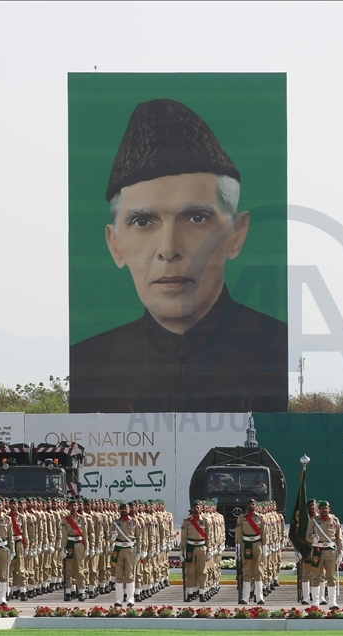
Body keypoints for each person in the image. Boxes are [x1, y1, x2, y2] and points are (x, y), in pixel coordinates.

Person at [70, 98, 287, 414]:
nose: (168, 249)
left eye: (196, 218)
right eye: (142, 221)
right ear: (115, 245)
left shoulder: (279, 351)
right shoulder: (86, 367)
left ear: (236, 235)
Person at [236, 500, 267, 605]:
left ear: (256, 506)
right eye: (249, 504)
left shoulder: (261, 517)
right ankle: (245, 597)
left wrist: (265, 546)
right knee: (247, 571)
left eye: (253, 504)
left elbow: (264, 532)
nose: (251, 505)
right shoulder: (242, 518)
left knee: (258, 570)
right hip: (246, 545)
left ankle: (259, 597)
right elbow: (239, 533)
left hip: (257, 544)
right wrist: (238, 546)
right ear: (247, 506)